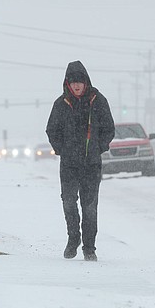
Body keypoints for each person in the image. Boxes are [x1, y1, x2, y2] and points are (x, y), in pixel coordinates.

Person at [46, 61, 115, 261]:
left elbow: (109, 127)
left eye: (80, 82)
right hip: (68, 164)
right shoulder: (61, 104)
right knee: (68, 202)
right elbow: (52, 129)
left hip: (91, 164)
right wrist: (61, 149)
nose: (77, 86)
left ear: (86, 83)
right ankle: (73, 238)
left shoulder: (98, 101)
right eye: (73, 82)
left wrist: (99, 147)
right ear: (67, 84)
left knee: (90, 206)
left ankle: (89, 248)